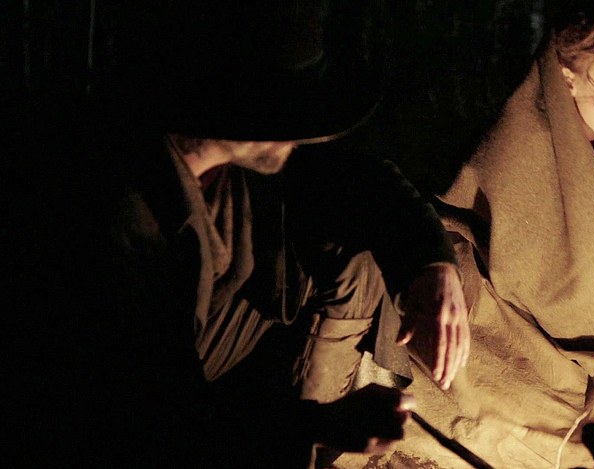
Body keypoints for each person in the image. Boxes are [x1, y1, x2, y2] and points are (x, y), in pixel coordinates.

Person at [6, 2, 469, 467]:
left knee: (357, 253)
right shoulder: (115, 223)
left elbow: (357, 179)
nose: (305, 133)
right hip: (136, 404)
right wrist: (321, 423)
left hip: (202, 337)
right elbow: (151, 419)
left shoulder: (228, 155)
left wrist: (434, 266)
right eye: (291, 111)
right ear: (234, 106)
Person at [336, 2, 594, 468]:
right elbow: (482, 246)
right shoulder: (526, 143)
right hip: (498, 316)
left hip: (570, 339)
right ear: (568, 78)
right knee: (545, 412)